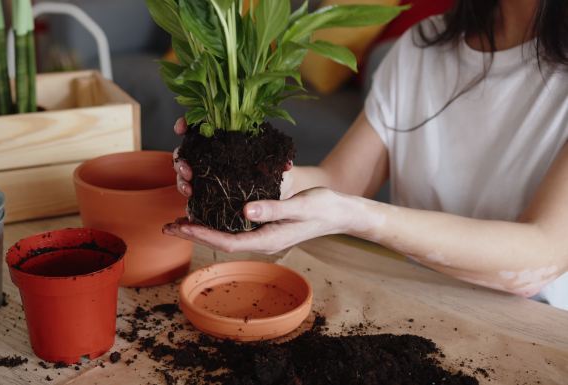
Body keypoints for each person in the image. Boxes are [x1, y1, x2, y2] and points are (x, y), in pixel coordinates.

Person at [162, 0, 568, 310]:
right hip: (408, 301)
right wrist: (248, 180)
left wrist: (359, 217)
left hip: (528, 324)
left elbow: (541, 255)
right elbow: (340, 180)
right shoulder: (421, 46)